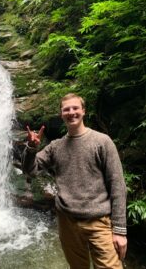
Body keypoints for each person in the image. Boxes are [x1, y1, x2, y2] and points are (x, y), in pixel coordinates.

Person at [22, 93, 127, 269]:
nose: (71, 112)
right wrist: (31, 148)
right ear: (61, 114)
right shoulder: (56, 147)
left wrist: (119, 230)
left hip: (99, 221)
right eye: (66, 109)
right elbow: (30, 170)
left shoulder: (102, 142)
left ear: (83, 111)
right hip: (67, 222)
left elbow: (117, 185)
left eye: (75, 108)